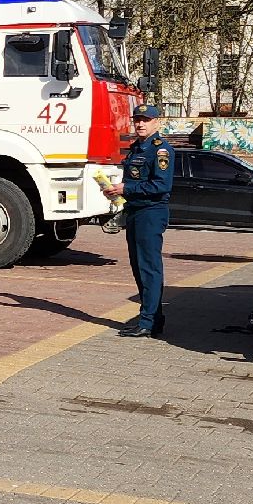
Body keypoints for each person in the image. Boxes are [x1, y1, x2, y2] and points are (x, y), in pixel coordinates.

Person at [105, 105, 174, 338]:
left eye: (146, 120)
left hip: (152, 213)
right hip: (135, 211)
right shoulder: (136, 149)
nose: (141, 124)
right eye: (137, 120)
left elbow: (161, 185)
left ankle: (146, 321)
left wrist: (128, 187)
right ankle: (154, 319)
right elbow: (132, 183)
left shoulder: (161, 150)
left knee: (149, 268)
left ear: (157, 123)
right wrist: (116, 191)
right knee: (138, 267)